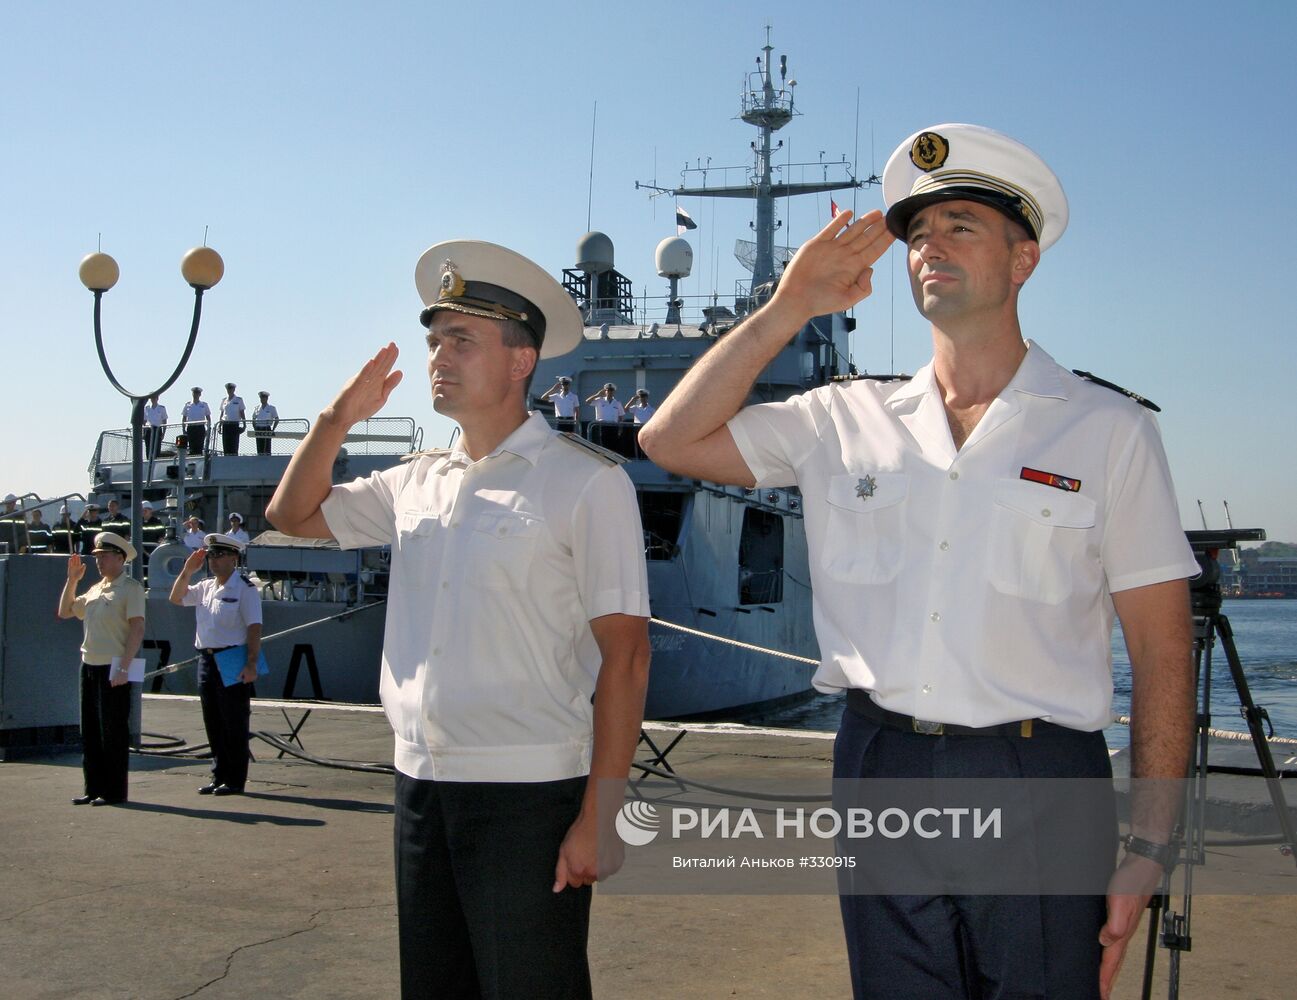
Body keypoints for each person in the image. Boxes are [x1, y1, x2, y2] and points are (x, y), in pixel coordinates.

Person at [639, 123, 1198, 1000]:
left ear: (1023, 260)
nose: (929, 247)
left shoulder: (1107, 430)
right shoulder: (840, 419)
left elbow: (1164, 651)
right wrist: (789, 307)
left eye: (961, 226)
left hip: (1039, 775)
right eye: (918, 235)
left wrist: (1150, 843)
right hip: (881, 764)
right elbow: (667, 438)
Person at [266, 239, 650, 1000]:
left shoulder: (585, 483)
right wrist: (337, 417)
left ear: (520, 360)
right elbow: (291, 513)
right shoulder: (416, 481)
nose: (439, 356)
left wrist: (600, 816)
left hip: (528, 794)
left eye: (462, 340)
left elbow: (627, 655)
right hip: (421, 784)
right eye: (434, 340)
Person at [169, 532, 263, 796]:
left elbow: (254, 628)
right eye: (211, 555)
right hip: (207, 658)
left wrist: (251, 663)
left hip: (233, 656)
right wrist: (187, 571)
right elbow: (176, 598)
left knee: (234, 721)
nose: (214, 561)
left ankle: (235, 779)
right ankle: (218, 774)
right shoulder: (206, 587)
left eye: (220, 555)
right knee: (213, 720)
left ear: (234, 557)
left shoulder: (245, 589)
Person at [56, 532, 146, 806]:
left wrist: (125, 668)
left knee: (113, 732)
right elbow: (65, 611)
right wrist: (72, 580)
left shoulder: (130, 588)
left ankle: (114, 791)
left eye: (104, 556)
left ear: (120, 558)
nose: (99, 561)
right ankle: (93, 787)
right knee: (92, 731)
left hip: (114, 667)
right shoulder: (96, 589)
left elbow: (137, 628)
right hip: (90, 665)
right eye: (97, 556)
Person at [182, 387, 211, 455]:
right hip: (191, 427)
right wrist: (183, 429)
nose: (196, 394)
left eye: (197, 393)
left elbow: (208, 417)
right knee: (192, 446)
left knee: (200, 445)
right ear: (192, 394)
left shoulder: (204, 405)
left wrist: (208, 429)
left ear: (200, 394)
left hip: (200, 427)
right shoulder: (188, 404)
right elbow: (184, 417)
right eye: (195, 393)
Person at [251, 390, 279, 456]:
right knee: (259, 447)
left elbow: (277, 419)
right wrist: (255, 428)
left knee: (267, 448)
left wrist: (273, 429)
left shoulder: (271, 408)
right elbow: (253, 419)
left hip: (267, 428)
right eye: (261, 397)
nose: (262, 399)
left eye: (264, 397)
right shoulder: (257, 408)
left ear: (267, 398)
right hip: (258, 428)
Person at [143, 394, 169, 458]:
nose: (153, 399)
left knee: (157, 448)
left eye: (154, 398)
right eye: (152, 398)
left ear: (157, 398)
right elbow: (144, 421)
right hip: (149, 430)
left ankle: (156, 461)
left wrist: (163, 433)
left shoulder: (161, 408)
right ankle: (149, 461)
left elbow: (164, 421)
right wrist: (143, 432)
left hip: (157, 429)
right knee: (148, 448)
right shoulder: (147, 408)